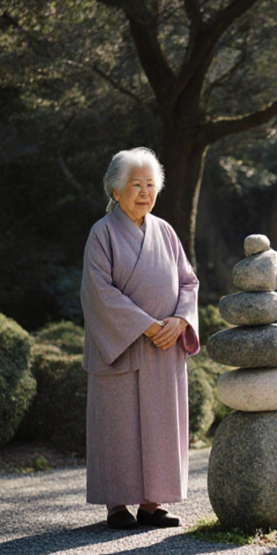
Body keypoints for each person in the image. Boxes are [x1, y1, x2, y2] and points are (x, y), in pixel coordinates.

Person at [80, 147, 200, 529]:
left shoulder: (164, 231)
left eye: (151, 184)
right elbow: (99, 292)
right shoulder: (101, 234)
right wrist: (148, 326)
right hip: (124, 346)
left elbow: (188, 281)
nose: (145, 192)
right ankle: (117, 505)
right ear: (115, 191)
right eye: (136, 185)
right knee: (119, 426)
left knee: (162, 425)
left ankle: (152, 504)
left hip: (164, 348)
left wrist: (180, 320)